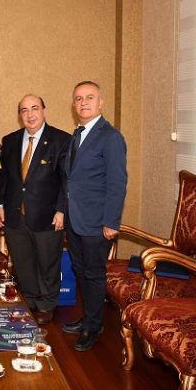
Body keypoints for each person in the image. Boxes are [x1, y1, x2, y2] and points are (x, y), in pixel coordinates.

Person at [58, 81, 127, 351]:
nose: (83, 102)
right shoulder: (77, 135)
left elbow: (117, 182)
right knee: (80, 270)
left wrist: (111, 221)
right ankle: (88, 318)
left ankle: (93, 326)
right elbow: (71, 180)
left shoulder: (110, 137)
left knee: (94, 273)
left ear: (100, 103)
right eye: (78, 98)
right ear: (73, 105)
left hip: (98, 222)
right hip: (75, 220)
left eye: (89, 97)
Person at [0, 95, 71, 325]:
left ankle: (47, 304)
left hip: (48, 215)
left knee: (48, 263)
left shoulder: (61, 140)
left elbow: (67, 180)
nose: (30, 114)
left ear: (44, 111)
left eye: (34, 108)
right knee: (23, 262)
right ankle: (30, 300)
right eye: (24, 110)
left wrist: (62, 210)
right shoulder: (10, 141)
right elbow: (2, 177)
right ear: (20, 115)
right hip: (15, 214)